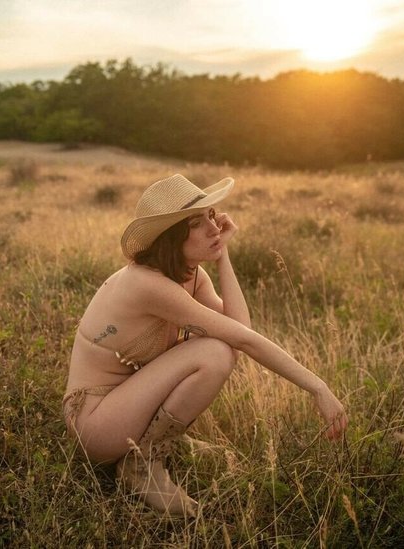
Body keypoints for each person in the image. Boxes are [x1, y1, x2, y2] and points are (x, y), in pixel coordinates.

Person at [63, 173, 348, 517]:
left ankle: (160, 443)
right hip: (95, 422)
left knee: (220, 346)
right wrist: (317, 387)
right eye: (197, 223)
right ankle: (141, 465)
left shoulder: (191, 275)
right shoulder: (147, 284)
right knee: (213, 352)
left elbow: (239, 327)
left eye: (211, 215)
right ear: (170, 238)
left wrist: (221, 255)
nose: (214, 228)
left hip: (130, 404)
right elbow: (241, 338)